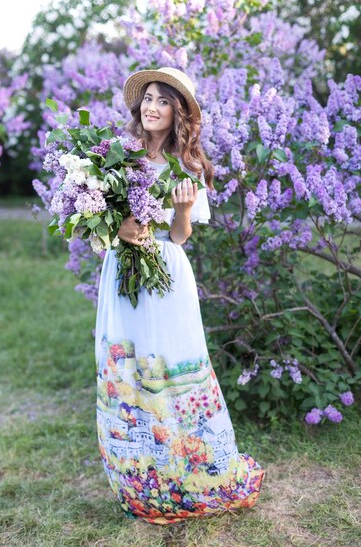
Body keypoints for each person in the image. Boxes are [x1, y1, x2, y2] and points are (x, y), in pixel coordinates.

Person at [95, 67, 264, 525]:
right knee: (129, 362)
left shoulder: (186, 166)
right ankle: (136, 474)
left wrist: (184, 209)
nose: (151, 107)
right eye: (147, 98)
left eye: (162, 101)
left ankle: (183, 469)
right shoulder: (115, 156)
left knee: (168, 363)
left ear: (177, 113)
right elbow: (98, 216)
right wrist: (117, 227)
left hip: (165, 274)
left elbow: (179, 237)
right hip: (121, 272)